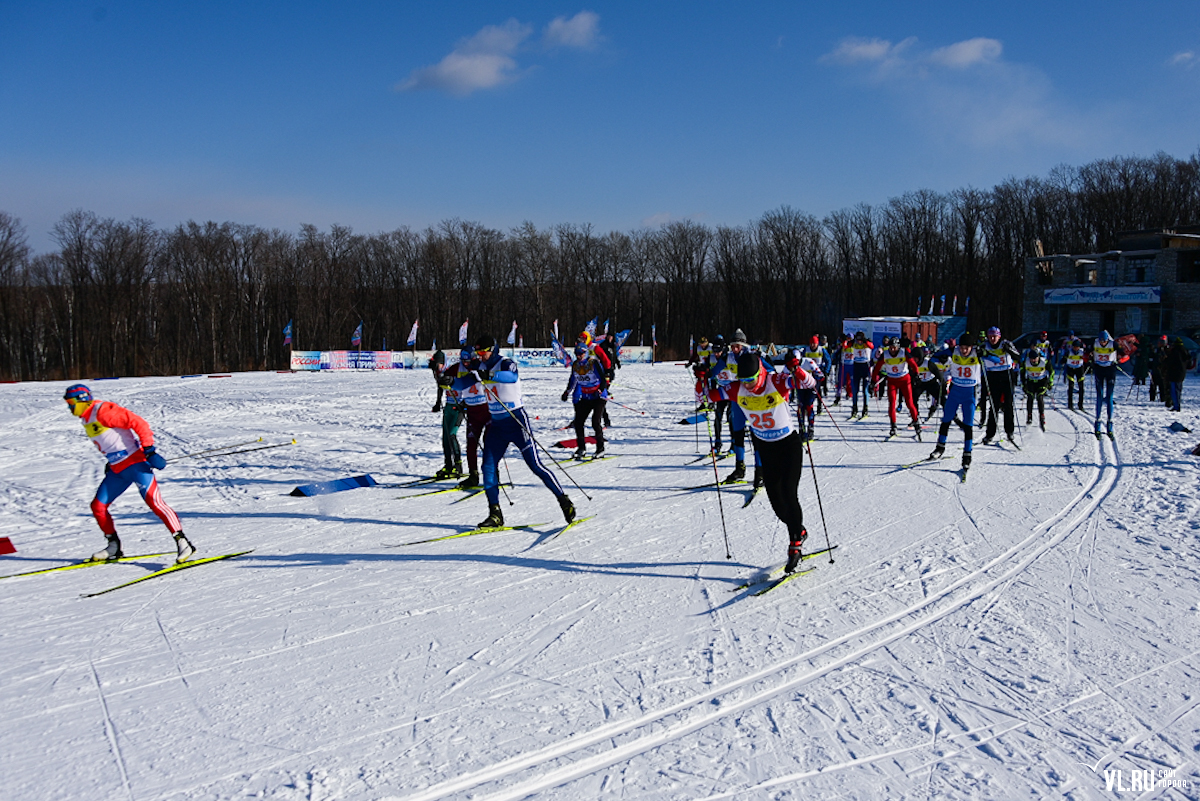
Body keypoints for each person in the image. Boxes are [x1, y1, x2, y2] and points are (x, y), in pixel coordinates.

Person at [63, 384, 195, 563]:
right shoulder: (86, 418)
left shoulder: (103, 411)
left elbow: (138, 423)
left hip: (136, 465)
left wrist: (149, 450)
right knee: (98, 506)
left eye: (71, 403)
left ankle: (183, 542)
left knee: (155, 502)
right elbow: (110, 441)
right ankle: (113, 546)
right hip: (117, 470)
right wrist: (111, 461)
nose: (70, 407)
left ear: (82, 399)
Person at [454, 335, 575, 528]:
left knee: (535, 466)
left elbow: (511, 377)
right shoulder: (480, 367)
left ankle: (563, 499)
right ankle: (495, 514)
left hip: (517, 422)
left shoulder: (505, 363)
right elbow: (462, 384)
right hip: (497, 426)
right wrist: (447, 381)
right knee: (488, 467)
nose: (480, 356)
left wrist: (488, 376)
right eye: (477, 353)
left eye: (482, 352)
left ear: (491, 349)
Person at [729, 351, 810, 573]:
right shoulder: (738, 388)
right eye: (744, 380)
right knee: (777, 503)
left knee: (788, 491)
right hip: (766, 448)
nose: (749, 385)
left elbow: (808, 382)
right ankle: (799, 530)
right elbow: (708, 395)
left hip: (788, 446)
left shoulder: (776, 381)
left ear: (760, 373)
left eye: (752, 379)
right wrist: (703, 381)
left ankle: (795, 546)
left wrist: (796, 368)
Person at [927, 338, 983, 472]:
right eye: (962, 347)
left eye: (967, 348)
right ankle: (940, 448)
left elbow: (997, 360)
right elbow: (933, 358)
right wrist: (939, 363)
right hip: (955, 391)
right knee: (946, 419)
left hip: (969, 393)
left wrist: (984, 354)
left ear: (971, 347)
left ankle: (967, 455)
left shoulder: (977, 352)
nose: (964, 351)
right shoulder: (954, 351)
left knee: (968, 424)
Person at [717, 329, 762, 487]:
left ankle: (760, 472)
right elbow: (715, 371)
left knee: (757, 436)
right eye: (733, 346)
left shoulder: (752, 357)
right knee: (738, 434)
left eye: (738, 346)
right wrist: (704, 373)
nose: (735, 349)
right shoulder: (727, 357)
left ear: (743, 345)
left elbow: (769, 370)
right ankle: (739, 468)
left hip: (753, 401)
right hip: (736, 400)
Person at [452, 346, 491, 489]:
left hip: (486, 410)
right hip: (472, 412)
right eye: (464, 361)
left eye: (468, 361)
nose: (466, 364)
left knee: (489, 445)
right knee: (471, 445)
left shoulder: (483, 366)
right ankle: (473, 476)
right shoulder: (460, 367)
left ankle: (493, 475)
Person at [562, 344, 608, 458]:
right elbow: (573, 380)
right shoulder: (576, 365)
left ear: (586, 352)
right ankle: (581, 448)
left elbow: (603, 380)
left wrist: (600, 390)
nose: (579, 356)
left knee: (595, 422)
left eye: (581, 353)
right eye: (576, 354)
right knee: (578, 422)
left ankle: (600, 449)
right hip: (586, 397)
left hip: (598, 397)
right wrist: (567, 392)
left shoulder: (593, 363)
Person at [870, 338, 922, 439]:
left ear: (898, 347)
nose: (893, 350)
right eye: (891, 347)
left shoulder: (904, 352)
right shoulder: (885, 354)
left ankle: (916, 422)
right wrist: (873, 381)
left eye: (894, 348)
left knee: (909, 403)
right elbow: (877, 368)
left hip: (904, 380)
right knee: (892, 404)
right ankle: (893, 425)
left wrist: (916, 375)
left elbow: (913, 364)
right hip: (892, 381)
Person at [980, 326, 1021, 445]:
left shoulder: (1006, 344)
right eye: (990, 336)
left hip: (1006, 375)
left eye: (995, 336)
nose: (993, 338)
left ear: (999, 336)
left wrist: (1009, 350)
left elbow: (1018, 357)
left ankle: (1009, 431)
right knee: (993, 406)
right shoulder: (984, 346)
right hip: (993, 376)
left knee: (1008, 405)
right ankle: (990, 433)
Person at [432, 349, 466, 479]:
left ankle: (458, 466)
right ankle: (448, 465)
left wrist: (465, 404)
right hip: (448, 406)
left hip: (459, 407)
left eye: (439, 364)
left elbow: (465, 386)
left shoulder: (453, 370)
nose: (437, 367)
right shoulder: (438, 373)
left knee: (452, 434)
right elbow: (440, 388)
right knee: (445, 437)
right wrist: (437, 403)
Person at [1020, 345, 1054, 432]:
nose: (1033, 360)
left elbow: (1051, 371)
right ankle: (1029, 416)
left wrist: (1050, 382)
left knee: (1039, 397)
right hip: (1031, 382)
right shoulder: (1026, 362)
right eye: (1032, 359)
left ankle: (1042, 417)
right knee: (1030, 397)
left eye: (1035, 358)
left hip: (1041, 381)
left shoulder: (1044, 361)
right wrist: (1023, 384)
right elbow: (1022, 373)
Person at [1091, 330, 1118, 436]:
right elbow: (1087, 351)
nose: (1103, 343)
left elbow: (1123, 350)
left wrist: (1120, 358)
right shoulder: (1095, 342)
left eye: (1105, 341)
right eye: (1101, 341)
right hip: (1099, 370)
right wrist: (1089, 359)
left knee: (1109, 396)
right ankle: (1098, 421)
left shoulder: (1113, 343)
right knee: (1099, 396)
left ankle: (1110, 422)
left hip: (1110, 370)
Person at [910, 343, 946, 421]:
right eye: (913, 358)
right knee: (913, 398)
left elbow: (938, 375)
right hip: (920, 383)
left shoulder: (928, 363)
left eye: (916, 358)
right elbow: (910, 375)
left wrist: (943, 386)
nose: (914, 360)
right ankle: (915, 416)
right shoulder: (912, 365)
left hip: (931, 382)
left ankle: (949, 415)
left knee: (941, 398)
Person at [1162, 336, 1193, 412]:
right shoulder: (1185, 352)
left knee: (1173, 390)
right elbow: (1189, 364)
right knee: (1178, 390)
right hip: (1182, 374)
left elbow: (1169, 362)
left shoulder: (1174, 352)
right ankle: (1177, 404)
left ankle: (1176, 405)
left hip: (1173, 374)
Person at [849, 331, 873, 419]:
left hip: (865, 366)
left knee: (865, 390)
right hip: (856, 366)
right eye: (857, 340)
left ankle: (865, 409)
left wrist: (865, 341)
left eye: (860, 340)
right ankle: (854, 409)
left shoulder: (866, 343)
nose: (859, 342)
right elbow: (846, 345)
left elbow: (871, 346)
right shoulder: (854, 343)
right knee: (855, 389)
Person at [1063, 338, 1088, 411]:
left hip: (1079, 369)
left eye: (1077, 347)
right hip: (1070, 369)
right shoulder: (1069, 352)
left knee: (1081, 387)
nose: (1076, 348)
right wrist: (1063, 360)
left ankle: (1080, 404)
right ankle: (1070, 404)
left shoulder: (1082, 352)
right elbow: (1063, 358)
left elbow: (1087, 358)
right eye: (1075, 347)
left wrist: (1089, 362)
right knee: (1071, 386)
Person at [429, 347, 446, 412]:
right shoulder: (436, 370)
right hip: (440, 380)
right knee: (440, 388)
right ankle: (438, 403)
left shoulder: (447, 369)